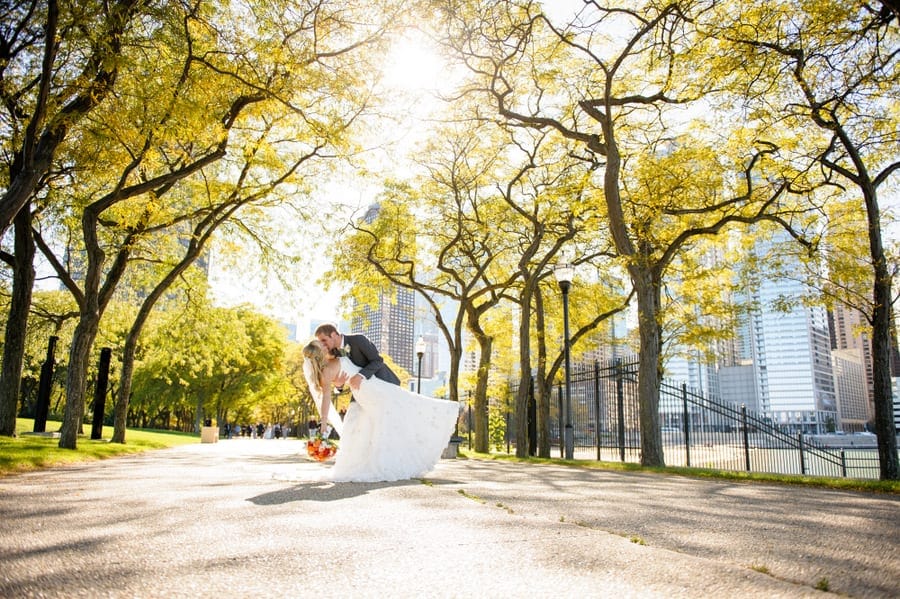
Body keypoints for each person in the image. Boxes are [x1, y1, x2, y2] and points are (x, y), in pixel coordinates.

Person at [301, 339, 459, 482]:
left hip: (372, 385)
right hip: (367, 392)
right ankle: (380, 463)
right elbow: (326, 398)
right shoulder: (326, 373)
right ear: (318, 353)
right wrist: (323, 420)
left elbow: (348, 374)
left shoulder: (335, 357)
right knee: (386, 419)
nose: (324, 344)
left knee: (400, 409)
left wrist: (340, 384)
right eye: (320, 345)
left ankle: (392, 458)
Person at [315, 323, 400, 392]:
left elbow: (378, 361)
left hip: (385, 384)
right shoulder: (334, 354)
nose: (322, 344)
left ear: (333, 335)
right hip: (363, 393)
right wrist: (338, 385)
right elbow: (341, 384)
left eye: (324, 340)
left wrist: (360, 376)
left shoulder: (358, 339)